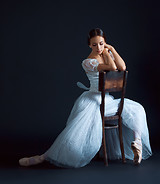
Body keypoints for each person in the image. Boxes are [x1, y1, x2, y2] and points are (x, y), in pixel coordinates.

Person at [19, 28, 152, 168]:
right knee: (75, 133)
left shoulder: (106, 52)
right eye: (94, 45)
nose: (99, 48)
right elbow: (112, 68)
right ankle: (44, 157)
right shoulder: (88, 62)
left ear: (105, 42)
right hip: (93, 100)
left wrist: (112, 48)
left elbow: (122, 67)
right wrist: (108, 51)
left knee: (137, 109)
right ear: (89, 45)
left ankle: (136, 143)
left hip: (106, 101)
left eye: (101, 44)